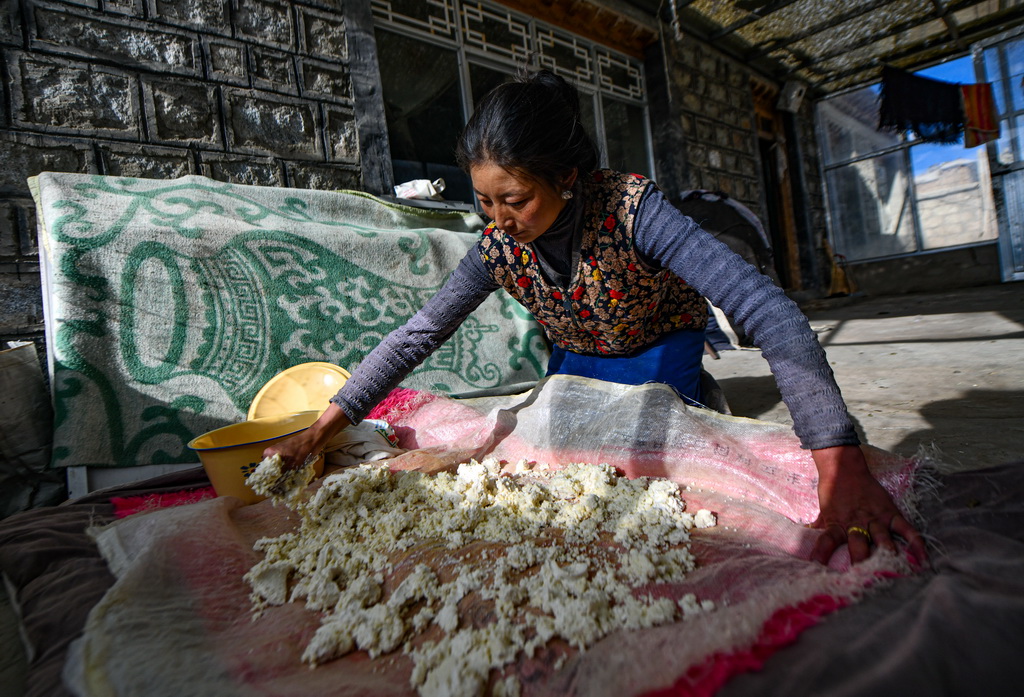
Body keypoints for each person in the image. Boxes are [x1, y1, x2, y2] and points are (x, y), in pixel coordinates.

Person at [265, 69, 925, 567]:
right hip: (577, 359)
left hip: (657, 345)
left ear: (570, 176)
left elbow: (771, 312)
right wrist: (328, 423)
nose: (497, 221)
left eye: (515, 200)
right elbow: (419, 333)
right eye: (485, 201)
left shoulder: (635, 211)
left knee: (650, 469)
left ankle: (700, 398)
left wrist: (838, 462)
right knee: (552, 462)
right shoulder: (498, 246)